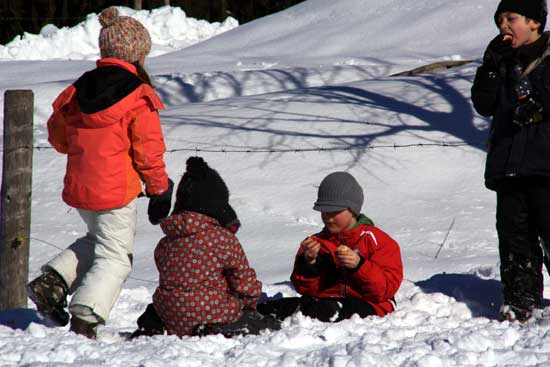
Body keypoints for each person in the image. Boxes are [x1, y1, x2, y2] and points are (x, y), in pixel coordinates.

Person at [26, 7, 173, 339]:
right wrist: (159, 189)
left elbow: (59, 138)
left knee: (99, 241)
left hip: (81, 188)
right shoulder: (137, 94)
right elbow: (148, 150)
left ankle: (54, 282)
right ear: (138, 53)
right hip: (115, 192)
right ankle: (86, 315)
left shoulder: (79, 89)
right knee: (117, 257)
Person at [131, 157, 280, 339]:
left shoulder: (166, 241)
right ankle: (214, 329)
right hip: (211, 313)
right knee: (262, 325)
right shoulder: (222, 240)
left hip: (170, 316)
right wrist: (249, 303)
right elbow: (243, 280)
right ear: (216, 204)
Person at [471, 0, 550, 322]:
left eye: (511, 18)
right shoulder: (502, 62)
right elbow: (484, 104)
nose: (503, 26)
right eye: (499, 20)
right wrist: (490, 66)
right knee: (514, 237)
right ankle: (520, 302)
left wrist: (537, 102)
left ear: (534, 22)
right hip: (509, 166)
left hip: (546, 164)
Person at [257, 172, 403, 322]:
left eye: (334, 212)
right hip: (324, 303)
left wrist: (359, 266)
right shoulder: (317, 243)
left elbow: (384, 290)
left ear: (352, 210)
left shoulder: (376, 240)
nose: (328, 217)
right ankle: (252, 317)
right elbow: (304, 289)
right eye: (324, 211)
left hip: (370, 305)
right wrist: (310, 264)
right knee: (289, 307)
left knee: (327, 309)